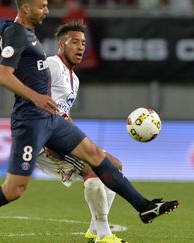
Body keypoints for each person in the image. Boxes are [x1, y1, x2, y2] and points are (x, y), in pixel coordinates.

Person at [0, 0, 179, 242]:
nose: (47, 10)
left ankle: (143, 206)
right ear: (26, 8)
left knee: (97, 156)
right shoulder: (17, 34)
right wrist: (37, 98)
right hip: (31, 123)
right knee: (14, 190)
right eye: (42, 5)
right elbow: (2, 75)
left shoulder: (23, 35)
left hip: (51, 121)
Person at [35, 20, 125, 243]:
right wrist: (46, 138)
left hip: (61, 136)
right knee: (92, 170)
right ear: (61, 44)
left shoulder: (74, 79)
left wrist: (79, 141)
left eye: (83, 43)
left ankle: (94, 230)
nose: (80, 47)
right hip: (43, 142)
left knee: (114, 166)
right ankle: (104, 236)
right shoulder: (51, 64)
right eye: (74, 42)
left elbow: (64, 115)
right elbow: (34, 99)